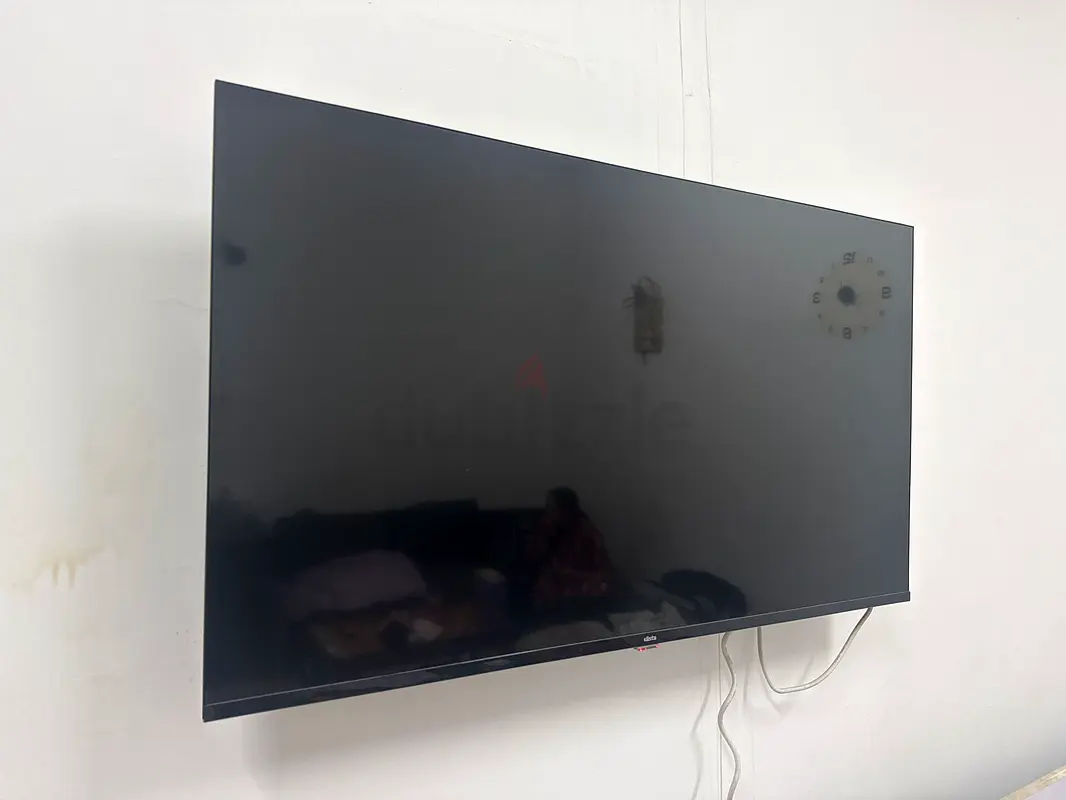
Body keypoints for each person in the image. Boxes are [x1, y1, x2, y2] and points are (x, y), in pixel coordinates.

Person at [525, 487, 614, 610]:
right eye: (548, 508)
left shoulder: (587, 533)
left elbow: (603, 573)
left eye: (552, 508)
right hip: (557, 582)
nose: (548, 512)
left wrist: (570, 574)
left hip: (582, 584)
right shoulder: (548, 528)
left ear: (566, 512)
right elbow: (533, 557)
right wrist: (543, 533)